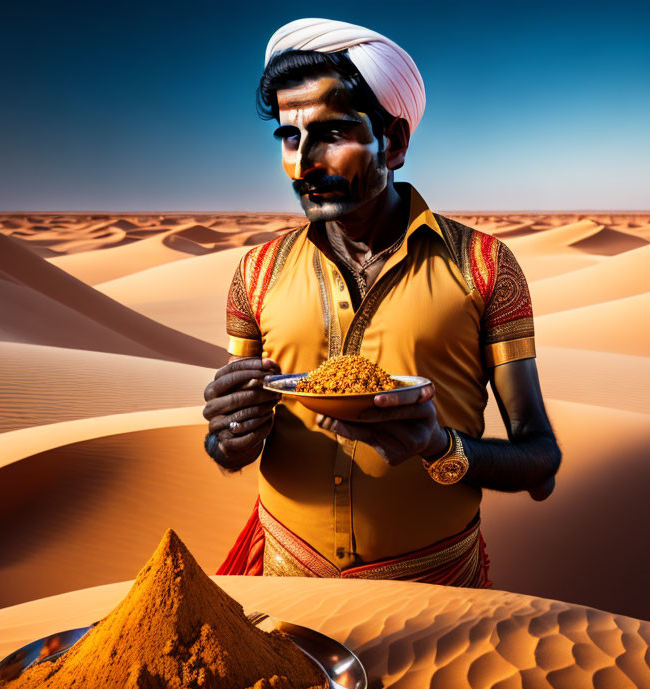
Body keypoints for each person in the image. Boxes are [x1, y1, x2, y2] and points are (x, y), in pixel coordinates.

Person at [202, 18, 561, 587]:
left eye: (333, 134)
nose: (304, 164)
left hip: (438, 594)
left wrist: (439, 446)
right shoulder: (256, 272)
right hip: (285, 587)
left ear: (393, 142)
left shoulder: (484, 266)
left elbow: (540, 463)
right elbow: (232, 446)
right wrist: (226, 437)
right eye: (290, 138)